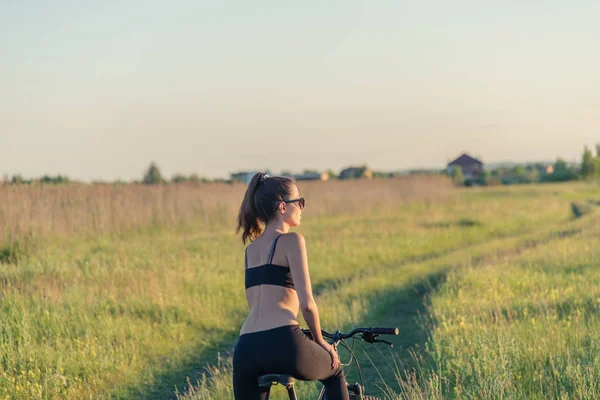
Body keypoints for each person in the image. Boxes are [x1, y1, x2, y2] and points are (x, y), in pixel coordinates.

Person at [232, 172, 349, 400]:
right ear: (283, 207)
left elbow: (257, 304)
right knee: (335, 372)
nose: (302, 208)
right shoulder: (292, 241)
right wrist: (320, 341)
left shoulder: (251, 251)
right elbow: (307, 304)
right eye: (300, 202)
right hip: (284, 341)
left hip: (246, 348)